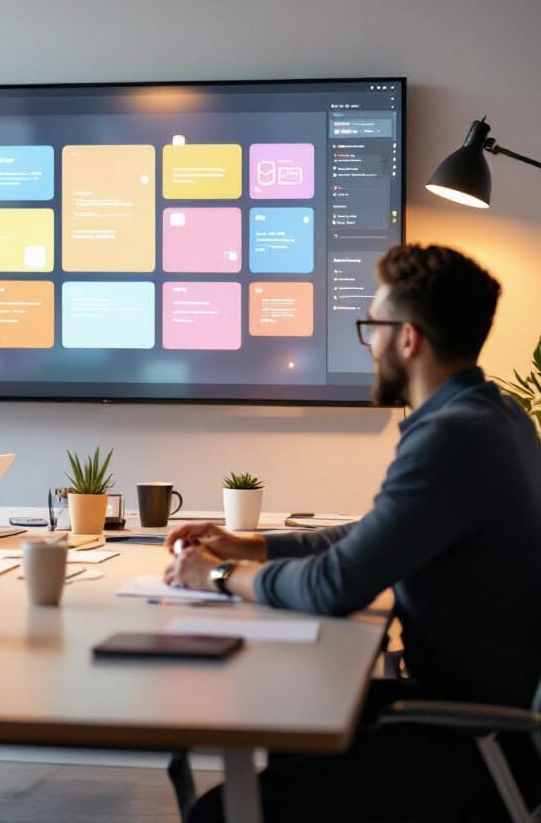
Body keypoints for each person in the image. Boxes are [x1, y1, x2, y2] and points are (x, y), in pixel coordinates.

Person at [165, 244, 541, 822]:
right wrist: (251, 545)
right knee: (296, 711)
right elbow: (375, 533)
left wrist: (218, 574)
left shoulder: (452, 437)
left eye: (373, 328)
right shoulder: (497, 417)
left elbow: (333, 587)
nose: (369, 345)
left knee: (222, 811)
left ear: (408, 339)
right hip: (482, 720)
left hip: (473, 747)